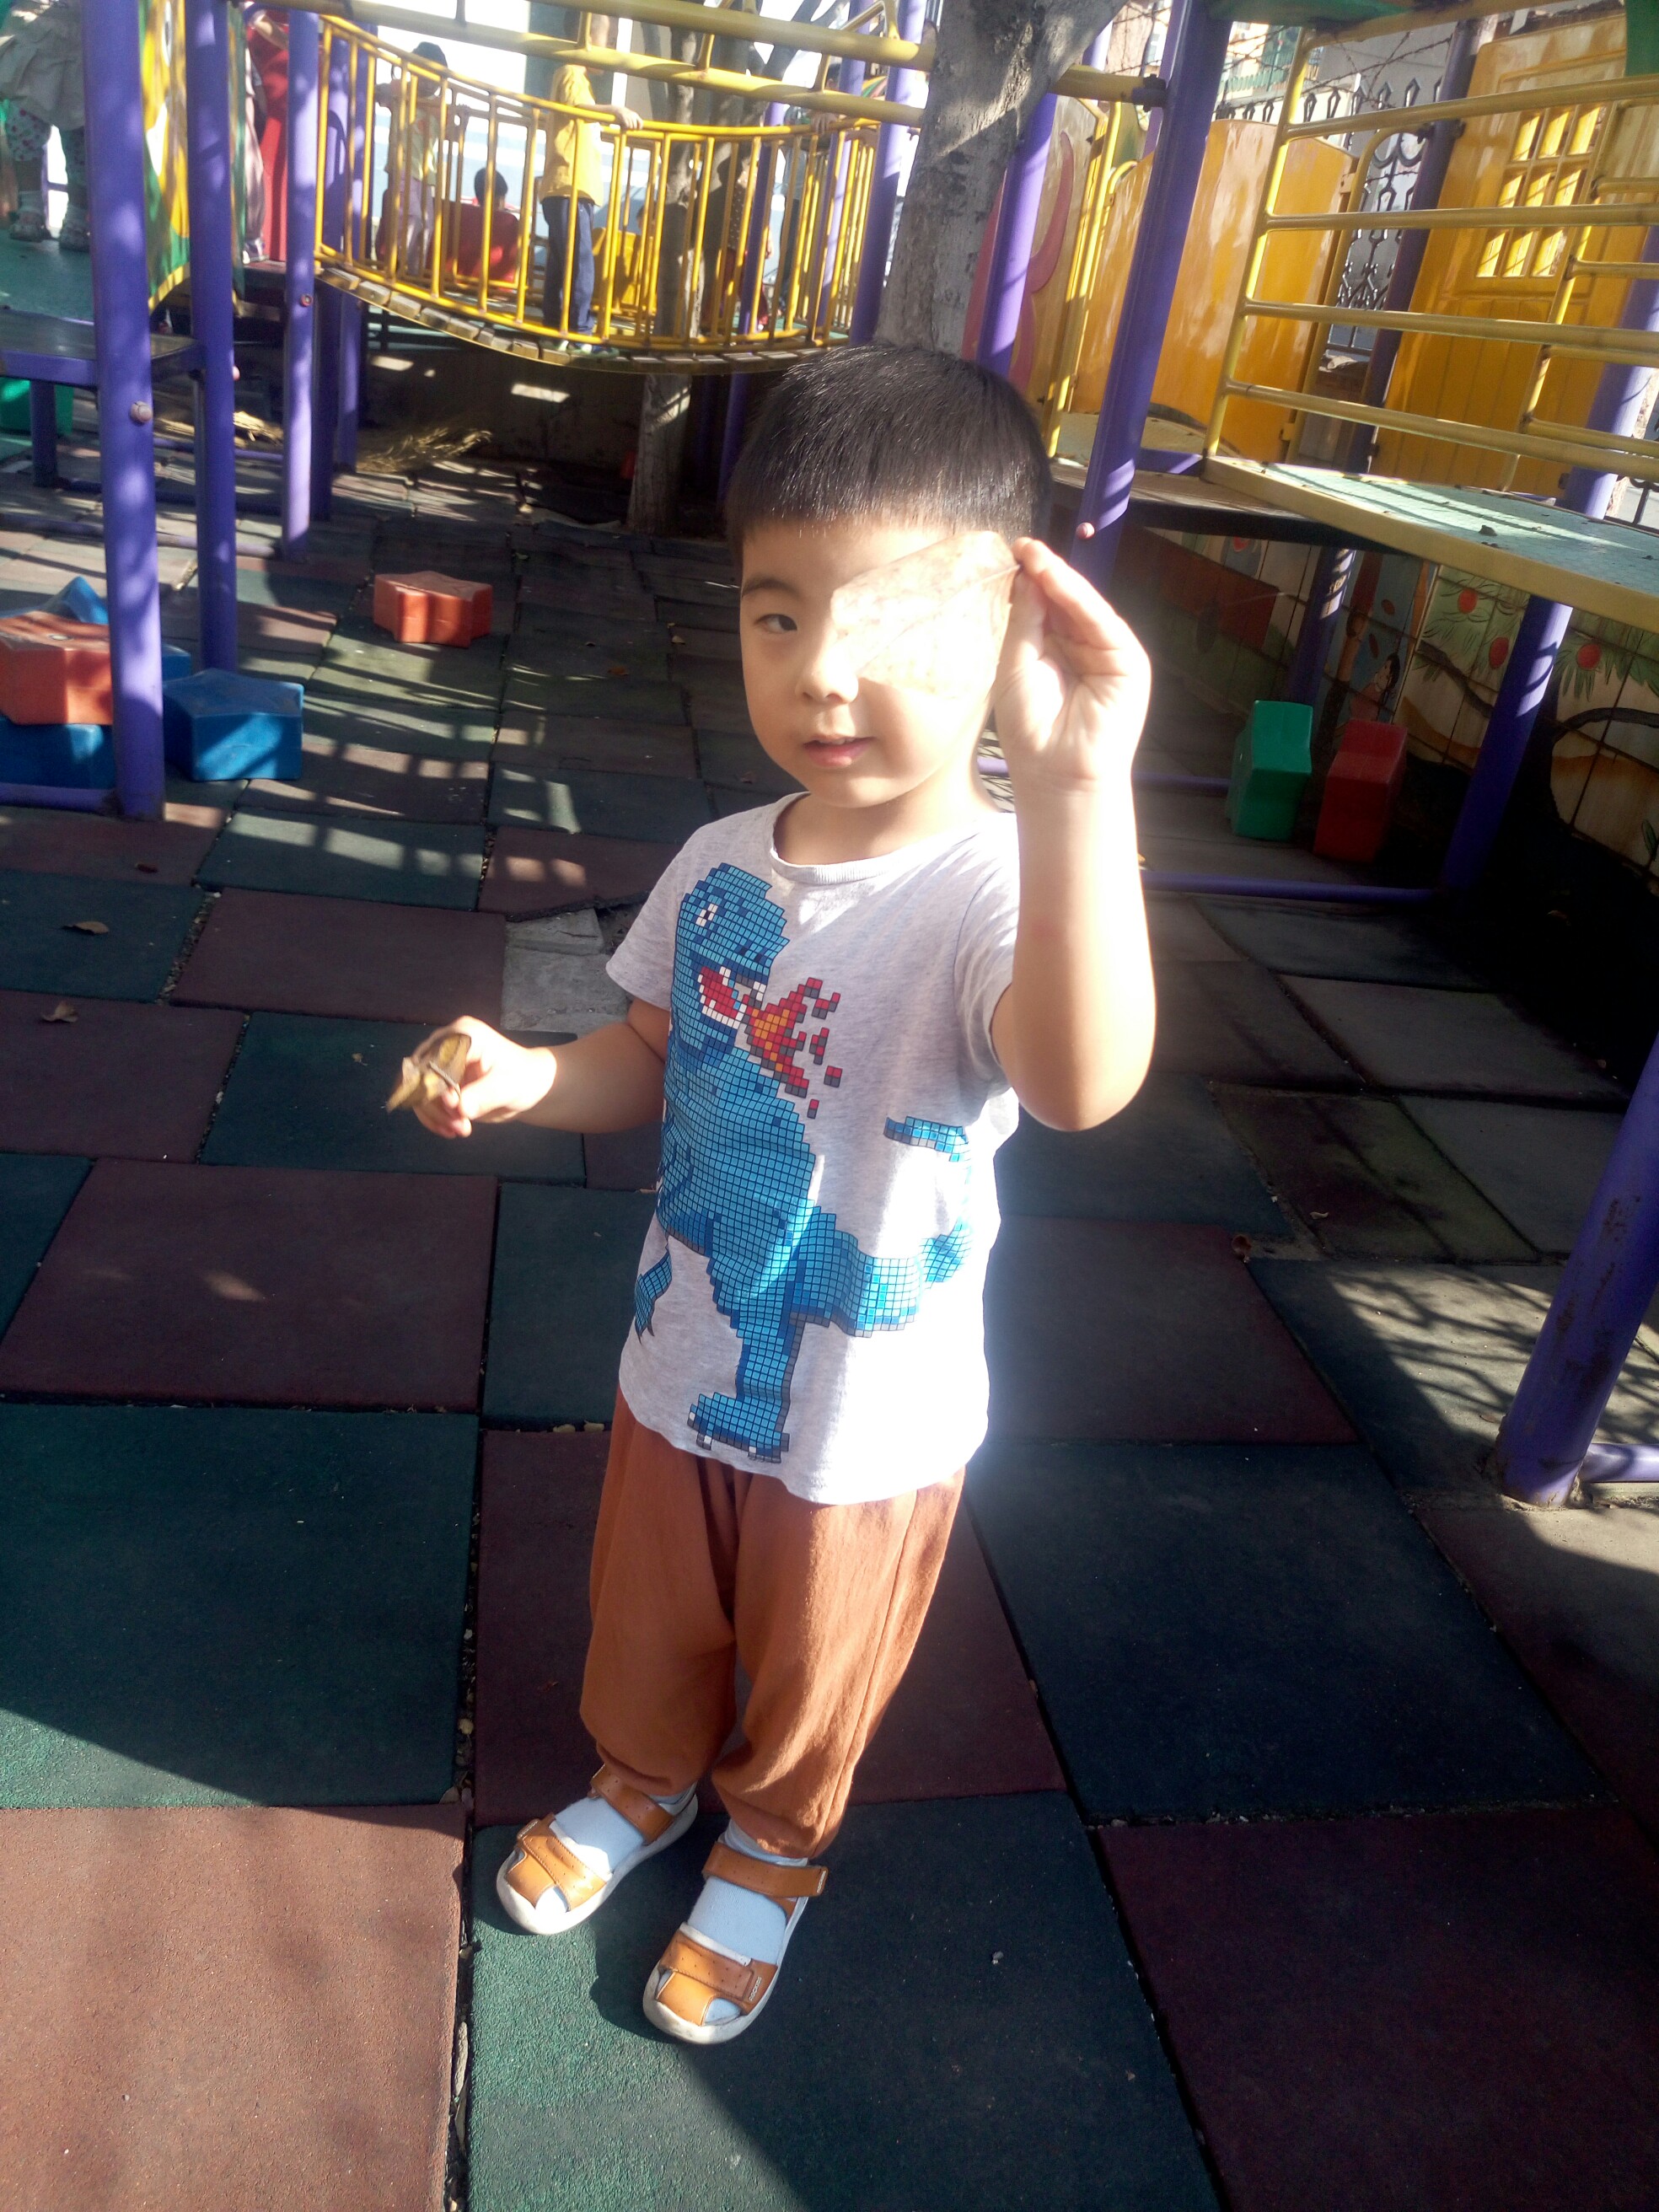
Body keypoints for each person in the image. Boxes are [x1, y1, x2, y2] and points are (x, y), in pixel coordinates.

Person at [406, 345, 1156, 2042]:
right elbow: (648, 1049)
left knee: (818, 1652)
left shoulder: (996, 886)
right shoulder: (719, 862)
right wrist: (534, 1076)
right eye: (778, 612)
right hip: (684, 1346)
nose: (823, 669)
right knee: (649, 1611)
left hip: (868, 1410)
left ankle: (774, 1843)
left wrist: (1075, 790)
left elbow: (1079, 1078)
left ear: (1009, 627)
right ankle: (641, 1775)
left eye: (887, 622)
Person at [536, 16, 639, 333]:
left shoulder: (579, 80)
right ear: (588, 40)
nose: (612, 48)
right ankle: (580, 328)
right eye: (610, 40)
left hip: (569, 186)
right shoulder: (571, 73)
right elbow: (577, 108)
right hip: (570, 186)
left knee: (561, 259)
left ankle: (554, 322)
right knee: (580, 260)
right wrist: (615, 110)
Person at [0, 0, 85, 248]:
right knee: (22, 125)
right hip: (34, 34)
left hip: (81, 39)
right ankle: (31, 208)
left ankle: (78, 215)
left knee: (81, 137)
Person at [454, 163, 521, 285]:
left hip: (456, 281)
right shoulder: (509, 223)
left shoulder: (462, 217)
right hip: (496, 286)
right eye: (501, 198)